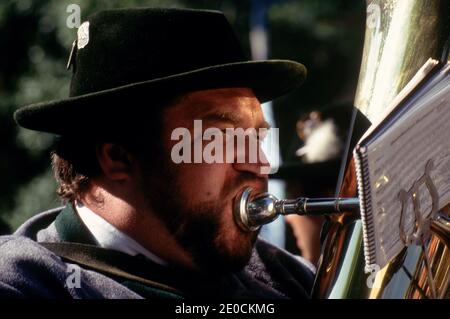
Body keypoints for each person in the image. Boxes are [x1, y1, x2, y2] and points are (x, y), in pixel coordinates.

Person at [0, 7, 315, 298]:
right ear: (117, 156)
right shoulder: (20, 284)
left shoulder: (286, 276)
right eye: (223, 137)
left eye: (257, 137)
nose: (259, 164)